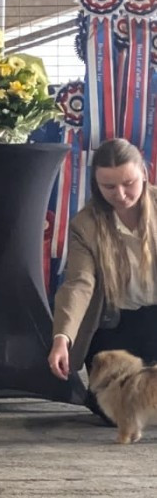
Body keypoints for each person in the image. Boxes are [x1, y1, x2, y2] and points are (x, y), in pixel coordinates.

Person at [48, 138, 157, 416]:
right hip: (115, 324)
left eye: (128, 183)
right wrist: (63, 338)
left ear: (144, 173)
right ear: (96, 184)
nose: (120, 194)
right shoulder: (85, 225)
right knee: (116, 413)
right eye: (108, 186)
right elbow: (79, 284)